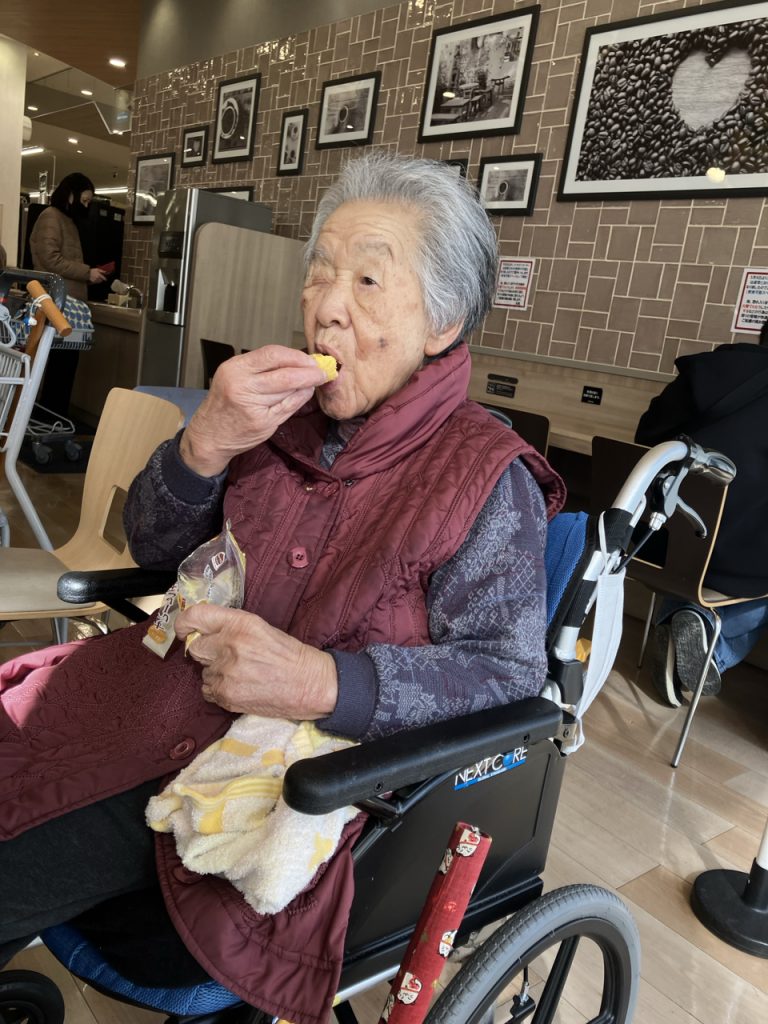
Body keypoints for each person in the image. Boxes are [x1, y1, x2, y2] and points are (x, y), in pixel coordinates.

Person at [0, 152, 564, 1020]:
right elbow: (154, 543)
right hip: (136, 706)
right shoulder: (272, 418)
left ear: (442, 322)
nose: (326, 305)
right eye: (320, 272)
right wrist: (203, 444)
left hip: (243, 804)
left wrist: (322, 681)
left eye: (367, 280)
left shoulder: (487, 477)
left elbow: (507, 675)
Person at [635, 320, 768, 707]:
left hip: (652, 540)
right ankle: (711, 640)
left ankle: (686, 618)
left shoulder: (705, 371)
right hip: (733, 566)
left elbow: (644, 437)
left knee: (702, 549)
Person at [28, 172, 106, 414]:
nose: (86, 206)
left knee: (64, 365)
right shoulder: (51, 217)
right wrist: (87, 272)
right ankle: (51, 415)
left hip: (66, 303)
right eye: (84, 200)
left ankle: (54, 415)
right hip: (58, 304)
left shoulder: (64, 219)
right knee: (60, 364)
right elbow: (50, 259)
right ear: (70, 194)